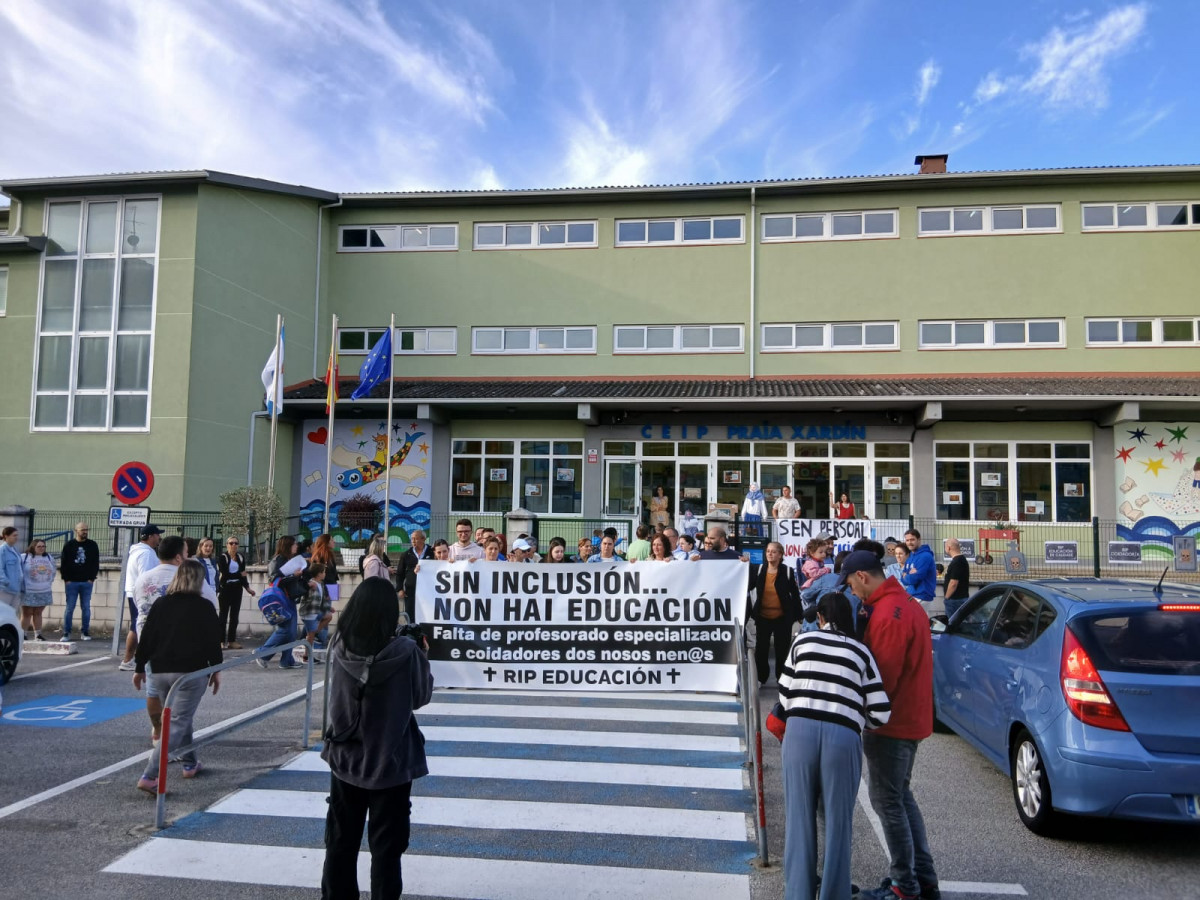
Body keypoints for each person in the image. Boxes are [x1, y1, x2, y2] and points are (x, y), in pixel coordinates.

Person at [321, 577, 433, 900]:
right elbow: (421, 696)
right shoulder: (406, 651)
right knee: (387, 849)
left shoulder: (340, 644)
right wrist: (422, 655)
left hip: (346, 757)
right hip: (391, 760)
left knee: (341, 842)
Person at [836, 551, 939, 900]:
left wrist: (858, 714)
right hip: (910, 718)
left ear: (862, 576)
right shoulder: (901, 604)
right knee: (900, 798)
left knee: (888, 803)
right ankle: (921, 878)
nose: (852, 592)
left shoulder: (888, 615)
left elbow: (882, 679)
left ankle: (904, 886)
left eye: (851, 584)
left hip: (892, 724)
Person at [777, 591, 891, 900]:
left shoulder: (802, 642)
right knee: (839, 821)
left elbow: (784, 694)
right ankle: (834, 893)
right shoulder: (861, 651)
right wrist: (854, 717)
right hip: (843, 736)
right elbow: (881, 712)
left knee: (799, 817)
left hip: (799, 731)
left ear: (820, 618)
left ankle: (798, 893)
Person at [132, 559, 223, 793]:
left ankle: (190, 763)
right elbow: (213, 641)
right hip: (190, 672)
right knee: (177, 722)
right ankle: (150, 775)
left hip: (159, 669)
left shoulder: (161, 604)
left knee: (179, 719)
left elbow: (148, 636)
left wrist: (139, 667)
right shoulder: (204, 607)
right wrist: (216, 669)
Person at [134, 535, 219, 740]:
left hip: (150, 643)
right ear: (179, 557)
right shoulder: (188, 576)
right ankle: (171, 751)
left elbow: (138, 606)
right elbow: (212, 606)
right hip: (184, 644)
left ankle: (158, 730)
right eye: (187, 553)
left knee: (153, 692)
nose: (189, 556)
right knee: (183, 699)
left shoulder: (144, 577)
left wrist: (138, 662)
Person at [749, 541, 800, 685]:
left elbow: (795, 595)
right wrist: (743, 564)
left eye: (773, 551)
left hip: (782, 618)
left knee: (782, 650)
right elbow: (746, 585)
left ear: (780, 555)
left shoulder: (787, 571)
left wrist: (799, 616)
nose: (770, 554)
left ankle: (781, 678)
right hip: (763, 617)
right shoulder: (759, 570)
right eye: (768, 551)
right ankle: (761, 678)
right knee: (761, 650)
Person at [120, 524, 163, 671]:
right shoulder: (146, 554)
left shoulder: (137, 551)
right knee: (138, 626)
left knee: (137, 625)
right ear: (150, 536)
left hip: (135, 593)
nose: (159, 538)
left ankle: (134, 659)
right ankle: (129, 660)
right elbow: (146, 576)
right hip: (142, 595)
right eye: (157, 535)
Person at [59, 521, 99, 641]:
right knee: (70, 607)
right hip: (72, 582)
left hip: (87, 582)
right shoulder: (69, 545)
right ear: (76, 530)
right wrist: (66, 579)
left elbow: (95, 563)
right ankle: (66, 632)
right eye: (82, 530)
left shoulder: (92, 545)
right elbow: (64, 563)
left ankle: (85, 632)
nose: (85, 532)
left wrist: (91, 578)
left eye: (86, 529)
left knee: (86, 607)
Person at [217, 536, 255, 650]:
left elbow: (243, 574)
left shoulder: (240, 557)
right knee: (223, 615)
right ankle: (221, 640)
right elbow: (225, 574)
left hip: (237, 588)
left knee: (234, 615)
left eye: (236, 543)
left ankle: (232, 640)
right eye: (231, 543)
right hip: (225, 588)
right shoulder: (223, 557)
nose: (234, 545)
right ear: (227, 545)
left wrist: (247, 587)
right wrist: (239, 575)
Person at [20, 538, 55, 641]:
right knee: (27, 612)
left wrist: (49, 582)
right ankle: (23, 634)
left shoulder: (49, 557)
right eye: (39, 546)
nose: (41, 548)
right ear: (33, 547)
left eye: (43, 546)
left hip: (44, 590)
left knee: (38, 612)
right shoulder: (24, 557)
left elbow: (53, 572)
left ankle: (38, 634)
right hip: (29, 590)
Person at [397, 529, 434, 623]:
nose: (413, 541)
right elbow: (400, 573)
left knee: (427, 612)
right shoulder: (406, 554)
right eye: (412, 539)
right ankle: (411, 631)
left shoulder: (432, 552)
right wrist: (400, 589)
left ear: (423, 539)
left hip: (428, 590)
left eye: (415, 539)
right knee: (410, 612)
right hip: (411, 591)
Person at [900, 529, 937, 605]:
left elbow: (916, 578)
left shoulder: (925, 556)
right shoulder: (910, 557)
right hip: (911, 595)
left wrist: (907, 576)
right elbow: (902, 579)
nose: (909, 542)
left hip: (922, 596)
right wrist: (908, 576)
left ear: (919, 539)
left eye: (912, 540)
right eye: (907, 540)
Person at [942, 539, 970, 619]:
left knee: (952, 623)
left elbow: (953, 583)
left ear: (948, 547)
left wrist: (946, 598)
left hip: (955, 600)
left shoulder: (957, 562)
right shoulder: (961, 560)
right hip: (959, 599)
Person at [311, 534, 341, 604]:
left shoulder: (327, 555)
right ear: (325, 542)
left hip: (328, 587)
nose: (334, 541)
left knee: (328, 610)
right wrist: (327, 592)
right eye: (331, 540)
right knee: (325, 612)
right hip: (325, 588)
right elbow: (320, 575)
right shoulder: (322, 556)